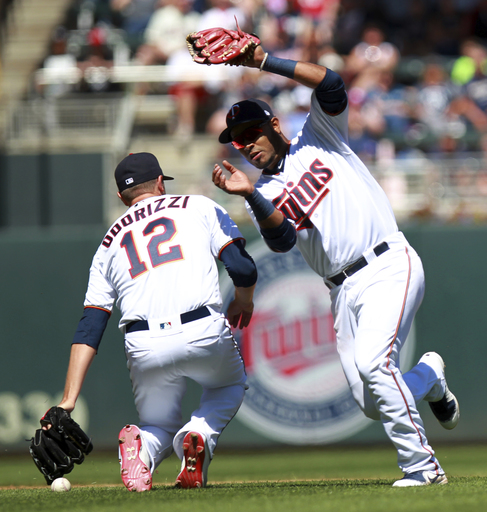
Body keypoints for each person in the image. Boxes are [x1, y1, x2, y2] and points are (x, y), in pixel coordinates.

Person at [210, 42, 460, 487]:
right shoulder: (260, 191)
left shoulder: (320, 136)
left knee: (373, 365)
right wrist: (249, 194)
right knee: (370, 398)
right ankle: (429, 375)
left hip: (387, 263)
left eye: (251, 132)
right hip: (341, 290)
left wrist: (264, 61)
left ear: (274, 124)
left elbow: (331, 82)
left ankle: (423, 468)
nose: (246, 145)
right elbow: (283, 241)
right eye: (237, 140)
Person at [44, 152, 257, 491]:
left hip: (143, 343)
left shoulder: (108, 242)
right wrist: (243, 300)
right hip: (202, 328)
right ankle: (198, 434)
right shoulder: (197, 205)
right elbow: (243, 268)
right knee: (228, 386)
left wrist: (68, 398)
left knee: (158, 423)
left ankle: (142, 451)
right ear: (160, 183)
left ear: (120, 197)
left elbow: (91, 325)